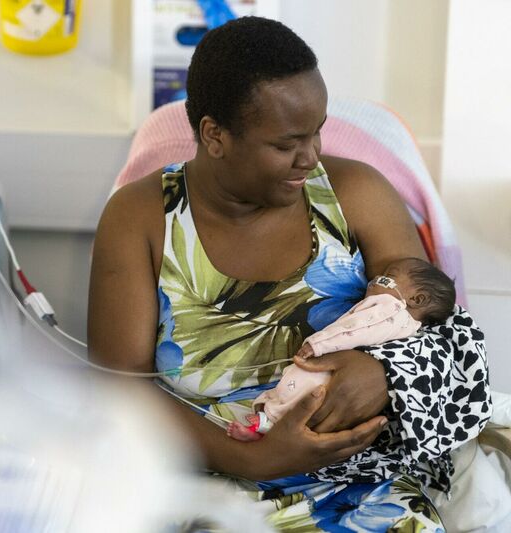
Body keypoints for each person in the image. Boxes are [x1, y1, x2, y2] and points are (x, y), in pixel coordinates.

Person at [88, 16, 487, 532]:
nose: (311, 157)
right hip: (201, 486)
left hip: (361, 485)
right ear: (215, 135)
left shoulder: (356, 193)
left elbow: (435, 325)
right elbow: (119, 389)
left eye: (317, 131)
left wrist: (384, 373)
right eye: (286, 144)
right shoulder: (140, 219)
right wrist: (254, 459)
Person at [227, 258, 456, 441]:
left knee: (294, 390)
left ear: (417, 298)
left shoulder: (390, 308)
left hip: (327, 372)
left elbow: (354, 330)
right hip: (346, 391)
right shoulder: (410, 329)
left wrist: (317, 345)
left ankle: (264, 425)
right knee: (303, 410)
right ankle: (265, 427)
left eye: (388, 277)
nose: (376, 279)